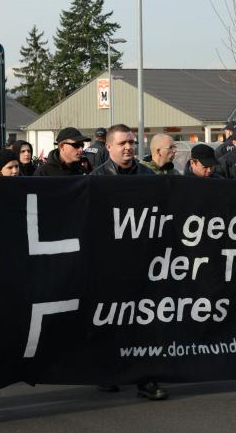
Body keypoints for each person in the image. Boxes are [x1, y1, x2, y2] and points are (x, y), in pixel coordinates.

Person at [90, 125, 162, 398]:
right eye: (122, 143)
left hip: (144, 261)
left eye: (132, 142)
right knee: (112, 321)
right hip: (110, 263)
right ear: (109, 147)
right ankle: (109, 371)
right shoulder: (96, 178)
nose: (129, 147)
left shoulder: (148, 176)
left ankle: (146, 378)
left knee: (146, 322)